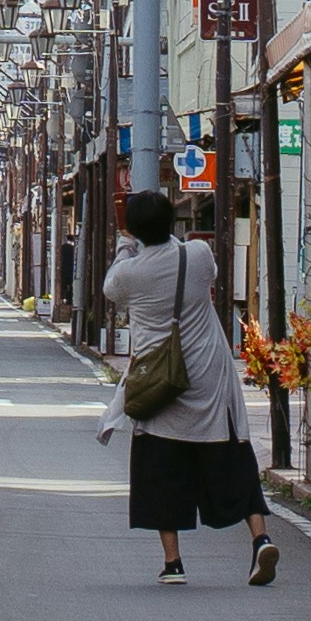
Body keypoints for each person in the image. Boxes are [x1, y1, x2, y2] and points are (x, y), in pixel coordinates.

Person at [98, 189, 275, 587]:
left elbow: (112, 288)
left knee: (161, 469)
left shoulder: (129, 272)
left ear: (136, 229)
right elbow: (203, 270)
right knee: (232, 459)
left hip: (161, 381)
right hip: (209, 375)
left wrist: (126, 241)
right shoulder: (195, 255)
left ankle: (173, 562)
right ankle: (260, 537)